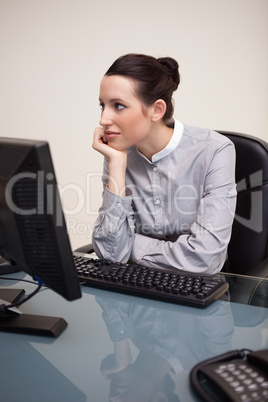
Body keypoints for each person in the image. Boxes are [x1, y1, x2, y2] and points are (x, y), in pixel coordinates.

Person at [92, 53, 237, 274]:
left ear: (157, 110)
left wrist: (130, 243)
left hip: (199, 293)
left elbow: (204, 259)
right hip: (136, 286)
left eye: (118, 106)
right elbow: (111, 254)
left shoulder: (214, 150)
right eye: (103, 105)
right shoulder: (117, 153)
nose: (103, 119)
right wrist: (117, 166)